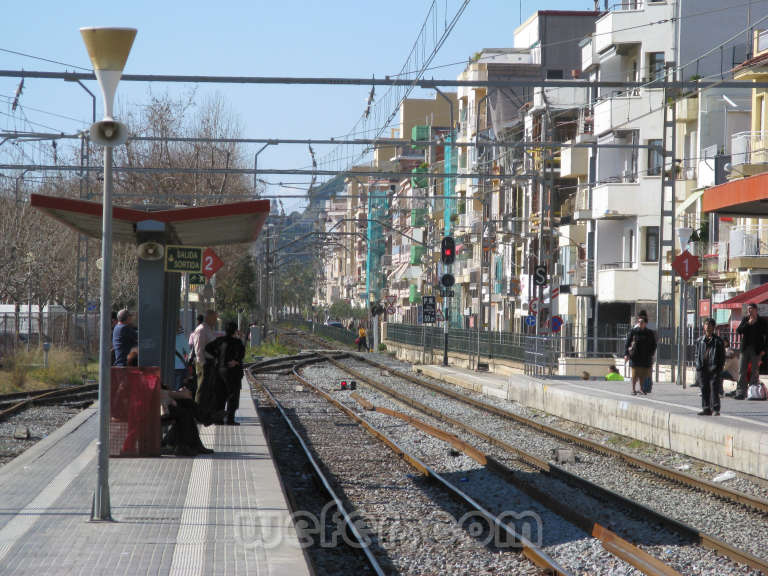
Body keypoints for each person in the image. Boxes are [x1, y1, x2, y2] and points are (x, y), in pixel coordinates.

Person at [206, 321, 246, 426]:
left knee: (220, 394)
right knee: (233, 395)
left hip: (220, 370)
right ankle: (230, 419)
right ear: (235, 331)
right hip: (233, 372)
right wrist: (235, 361)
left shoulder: (220, 340)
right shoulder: (238, 342)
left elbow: (207, 348)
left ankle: (219, 419)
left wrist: (217, 356)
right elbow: (242, 354)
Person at [734, 302, 768, 400]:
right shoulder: (745, 319)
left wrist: (764, 350)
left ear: (756, 310)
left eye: (751, 309)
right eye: (748, 309)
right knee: (742, 370)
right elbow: (739, 331)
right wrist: (748, 324)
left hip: (757, 350)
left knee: (754, 371)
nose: (749, 311)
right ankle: (741, 392)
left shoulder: (762, 321)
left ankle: (752, 392)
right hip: (745, 349)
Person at [694, 318, 725, 416]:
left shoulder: (718, 341)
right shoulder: (700, 340)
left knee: (714, 389)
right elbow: (696, 354)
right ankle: (706, 408)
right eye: (706, 324)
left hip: (714, 368)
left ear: (713, 327)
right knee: (704, 389)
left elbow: (722, 357)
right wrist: (698, 365)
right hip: (702, 368)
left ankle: (715, 408)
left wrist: (718, 368)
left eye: (710, 325)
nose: (707, 327)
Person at [624, 310, 657, 395]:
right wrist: (626, 354)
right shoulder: (634, 331)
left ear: (645, 322)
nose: (640, 323)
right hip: (636, 356)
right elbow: (628, 343)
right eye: (639, 321)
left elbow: (654, 343)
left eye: (641, 321)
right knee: (636, 374)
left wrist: (652, 353)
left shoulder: (649, 332)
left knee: (643, 374)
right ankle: (635, 389)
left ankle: (642, 389)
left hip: (646, 357)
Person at [192, 309, 218, 412]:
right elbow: (199, 349)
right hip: (203, 363)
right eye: (214, 318)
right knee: (202, 388)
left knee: (208, 389)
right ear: (208, 317)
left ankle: (205, 411)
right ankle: (198, 412)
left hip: (210, 363)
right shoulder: (201, 329)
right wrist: (203, 364)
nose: (215, 320)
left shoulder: (209, 329)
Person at [174, 321, 189, 391]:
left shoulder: (166, 337)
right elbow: (188, 351)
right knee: (178, 390)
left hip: (167, 368)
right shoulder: (182, 337)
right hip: (179, 367)